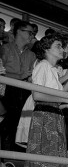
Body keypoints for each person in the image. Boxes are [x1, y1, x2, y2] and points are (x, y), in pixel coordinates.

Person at [24, 33, 68, 167]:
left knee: (53, 156)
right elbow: (37, 95)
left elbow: (60, 93)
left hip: (54, 112)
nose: (62, 49)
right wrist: (65, 99)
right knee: (44, 157)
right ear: (46, 49)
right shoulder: (43, 66)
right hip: (45, 113)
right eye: (58, 46)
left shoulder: (53, 70)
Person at [0, 20, 37, 151]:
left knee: (18, 123)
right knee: (8, 122)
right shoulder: (4, 49)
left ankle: (13, 156)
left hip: (24, 93)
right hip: (6, 91)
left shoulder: (32, 55)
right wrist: (21, 77)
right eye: (30, 32)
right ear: (18, 31)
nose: (32, 36)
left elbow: (31, 77)